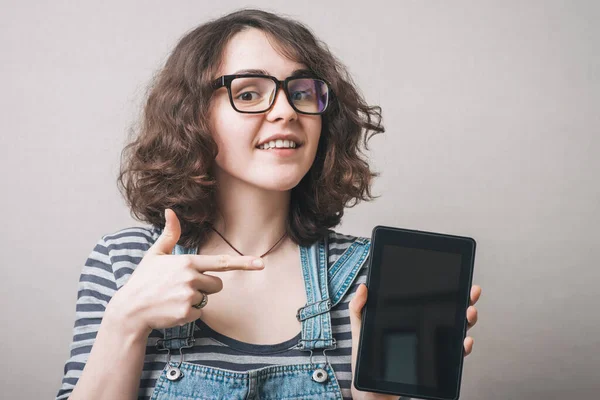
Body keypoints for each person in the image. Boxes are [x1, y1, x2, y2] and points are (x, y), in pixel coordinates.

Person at [56, 8, 481, 400]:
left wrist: (379, 397)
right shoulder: (124, 261)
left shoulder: (373, 279)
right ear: (193, 117)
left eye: (302, 92)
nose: (286, 111)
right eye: (248, 94)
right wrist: (125, 323)